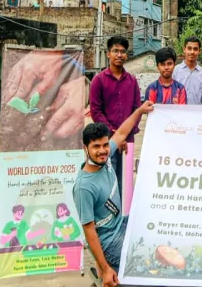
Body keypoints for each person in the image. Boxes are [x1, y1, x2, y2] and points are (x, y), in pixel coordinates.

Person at [74, 101, 154, 287]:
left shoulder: (105, 157)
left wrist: (140, 111)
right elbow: (89, 231)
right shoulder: (84, 187)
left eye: (104, 145)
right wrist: (105, 266)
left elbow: (121, 133)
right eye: (96, 147)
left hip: (122, 223)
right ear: (85, 149)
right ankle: (109, 272)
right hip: (109, 242)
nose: (102, 151)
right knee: (145, 271)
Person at [89, 36, 141, 197]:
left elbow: (137, 110)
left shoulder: (132, 81)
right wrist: (115, 136)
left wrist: (124, 136)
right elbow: (96, 111)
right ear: (108, 54)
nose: (119, 55)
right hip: (107, 142)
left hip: (128, 143)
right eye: (115, 51)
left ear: (126, 55)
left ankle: (124, 220)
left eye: (123, 52)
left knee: (125, 183)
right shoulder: (98, 80)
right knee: (108, 182)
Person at [172, 36, 202, 105]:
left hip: (197, 113)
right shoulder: (175, 71)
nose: (192, 52)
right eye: (189, 48)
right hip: (179, 112)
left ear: (199, 51)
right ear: (184, 49)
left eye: (195, 49)